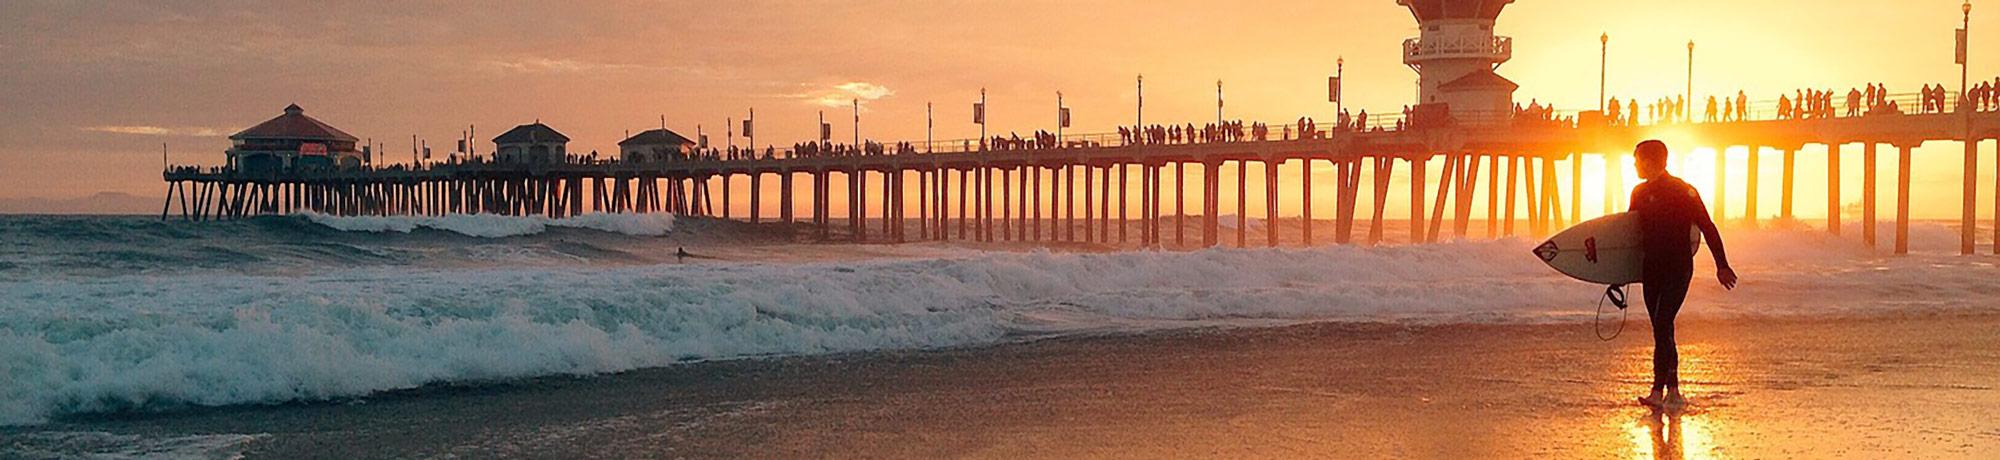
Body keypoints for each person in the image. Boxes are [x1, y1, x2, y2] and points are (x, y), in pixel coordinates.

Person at [1628, 139, 1738, 410]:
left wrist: (1721, 265)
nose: (1634, 165)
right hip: (1651, 268)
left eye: (1637, 160)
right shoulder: (1638, 193)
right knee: (1660, 328)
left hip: (1678, 267)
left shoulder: (1683, 191)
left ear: (1650, 161)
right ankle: (1673, 390)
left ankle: (1659, 390)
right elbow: (1628, 236)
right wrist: (1619, 273)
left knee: (1663, 322)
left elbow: (1707, 227)